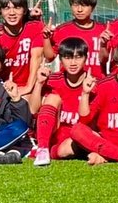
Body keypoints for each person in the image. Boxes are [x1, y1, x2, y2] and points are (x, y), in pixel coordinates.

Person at [29, 37, 90, 166]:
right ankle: (42, 148)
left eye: (78, 57)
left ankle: (49, 151)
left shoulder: (94, 83)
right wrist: (39, 83)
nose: (73, 63)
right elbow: (33, 110)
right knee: (53, 97)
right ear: (60, 59)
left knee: (66, 149)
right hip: (56, 132)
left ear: (85, 58)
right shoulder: (53, 79)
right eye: (67, 58)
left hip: (78, 134)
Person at [0, 0, 44, 97]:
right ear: (0, 11)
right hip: (2, 88)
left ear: (25, 10)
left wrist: (28, 87)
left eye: (17, 8)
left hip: (29, 86)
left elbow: (37, 57)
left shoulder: (35, 27)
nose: (12, 13)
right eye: (6, 8)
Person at [43, 0, 108, 79]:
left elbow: (104, 60)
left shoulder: (103, 30)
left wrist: (103, 45)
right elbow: (49, 58)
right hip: (69, 83)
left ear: (92, 8)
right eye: (75, 5)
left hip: (97, 81)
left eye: (84, 5)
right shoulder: (62, 30)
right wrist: (46, 38)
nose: (79, 9)